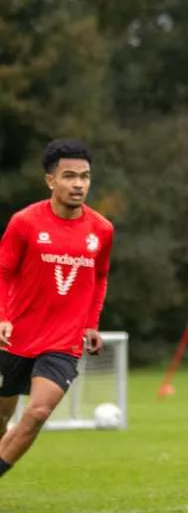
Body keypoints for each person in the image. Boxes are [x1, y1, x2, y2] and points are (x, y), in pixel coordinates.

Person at [0, 139, 114, 477]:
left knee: (36, 412)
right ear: (51, 180)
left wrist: (91, 324)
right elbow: (4, 272)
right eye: (69, 176)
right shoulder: (25, 223)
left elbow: (100, 276)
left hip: (62, 342)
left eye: (85, 176)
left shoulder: (101, 230)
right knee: (2, 416)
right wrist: (3, 317)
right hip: (16, 336)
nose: (78, 184)